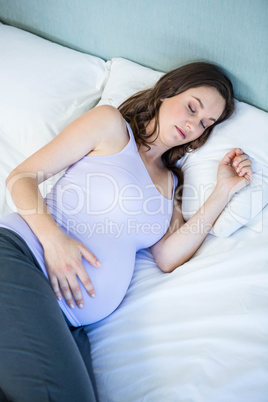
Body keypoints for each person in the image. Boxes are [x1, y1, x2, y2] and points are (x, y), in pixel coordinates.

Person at [0, 62, 252, 401]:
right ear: (167, 91)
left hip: (68, 320)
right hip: (22, 259)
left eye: (207, 123)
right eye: (193, 107)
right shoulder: (110, 126)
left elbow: (166, 256)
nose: (194, 125)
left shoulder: (171, 182)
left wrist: (223, 191)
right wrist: (54, 241)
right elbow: (21, 178)